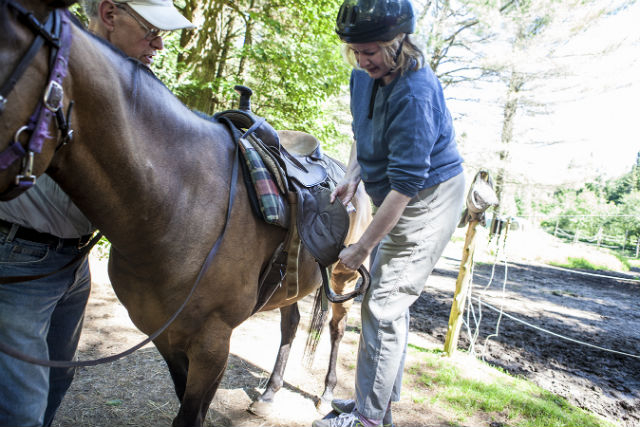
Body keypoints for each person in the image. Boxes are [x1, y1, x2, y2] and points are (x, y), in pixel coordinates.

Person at [0, 2, 193, 426]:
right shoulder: (45, 61)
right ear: (109, 13)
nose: (159, 44)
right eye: (150, 30)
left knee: (56, 383)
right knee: (20, 408)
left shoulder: (131, 85)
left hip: (72, 260)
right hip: (20, 257)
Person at [313, 1, 465, 426]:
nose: (363, 60)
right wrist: (353, 175)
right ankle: (377, 401)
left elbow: (404, 189)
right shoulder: (363, 76)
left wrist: (361, 247)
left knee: (383, 305)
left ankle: (369, 418)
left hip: (428, 198)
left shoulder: (416, 93)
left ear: (400, 41)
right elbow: (362, 131)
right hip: (399, 192)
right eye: (356, 51)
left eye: (372, 51)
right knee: (388, 298)